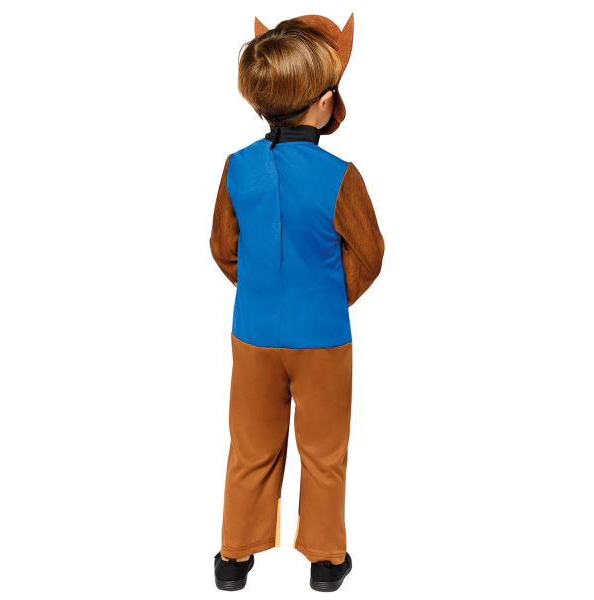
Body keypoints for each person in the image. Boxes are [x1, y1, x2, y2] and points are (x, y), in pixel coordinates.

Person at [209, 13, 384, 592]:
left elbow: (223, 248)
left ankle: (234, 558)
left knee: (250, 447)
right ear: (326, 102)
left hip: (253, 335)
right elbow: (370, 255)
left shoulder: (237, 168)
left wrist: (265, 290)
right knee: (325, 451)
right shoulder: (341, 176)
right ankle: (326, 561)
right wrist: (327, 297)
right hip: (323, 338)